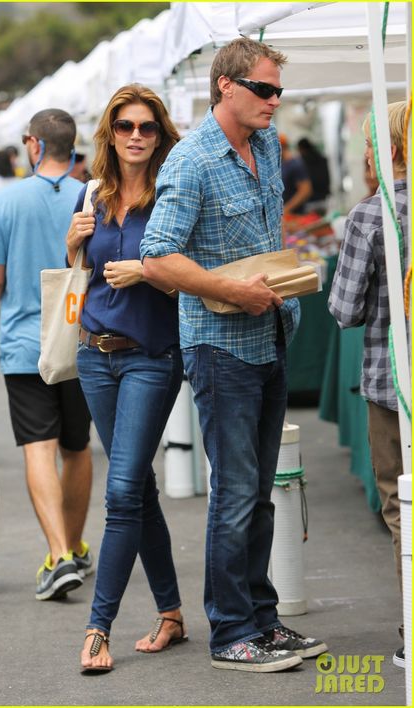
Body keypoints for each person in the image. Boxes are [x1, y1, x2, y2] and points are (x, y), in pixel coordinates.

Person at [141, 37, 327, 672]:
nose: (276, 100)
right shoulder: (191, 160)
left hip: (270, 335)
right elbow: (157, 256)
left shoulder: (268, 144)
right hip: (221, 347)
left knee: (261, 492)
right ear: (226, 85)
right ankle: (230, 633)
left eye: (278, 90)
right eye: (265, 89)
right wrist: (230, 289)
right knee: (239, 492)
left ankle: (263, 621)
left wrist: (278, 284)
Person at [66, 84, 186, 673]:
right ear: (109, 133)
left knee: (120, 493)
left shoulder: (172, 195)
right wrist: (72, 247)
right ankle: (170, 613)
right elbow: (79, 275)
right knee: (136, 489)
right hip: (94, 354)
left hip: (150, 357)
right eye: (124, 126)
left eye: (146, 127)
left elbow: (194, 278)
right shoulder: (93, 192)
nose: (135, 136)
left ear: (160, 135)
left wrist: (149, 271)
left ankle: (97, 628)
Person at [0, 109, 93, 602]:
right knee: (76, 448)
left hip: (23, 346)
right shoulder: (91, 196)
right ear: (71, 146)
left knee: (40, 448)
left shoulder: (6, 202)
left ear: (33, 144)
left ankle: (57, 556)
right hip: (83, 340)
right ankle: (75, 544)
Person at [328, 101, 408, 669]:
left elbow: (345, 309)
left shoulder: (373, 214)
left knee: (403, 506)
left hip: (394, 383)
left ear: (390, 149)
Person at [279, 133, 313, 215]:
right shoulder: (280, 164)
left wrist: (286, 209)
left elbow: (306, 191)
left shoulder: (294, 164)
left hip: (296, 214)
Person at [297, 137, 331, 214]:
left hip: (310, 202)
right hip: (323, 200)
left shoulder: (302, 161)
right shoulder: (322, 159)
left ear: (301, 149)